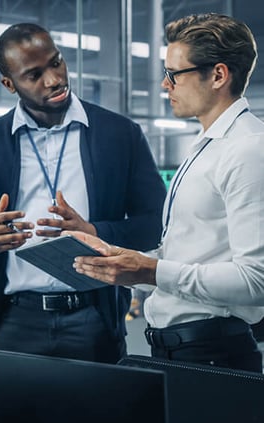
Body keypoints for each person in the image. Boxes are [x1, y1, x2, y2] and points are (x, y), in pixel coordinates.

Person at [0, 23, 166, 363]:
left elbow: (157, 223)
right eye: (34, 75)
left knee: (98, 417)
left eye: (56, 63)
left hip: (95, 319)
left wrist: (96, 233)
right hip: (13, 322)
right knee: (15, 417)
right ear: (9, 84)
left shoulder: (119, 135)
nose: (54, 80)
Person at [72, 13, 264, 373]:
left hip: (212, 352)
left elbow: (257, 280)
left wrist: (151, 271)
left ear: (219, 75)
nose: (164, 84)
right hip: (180, 349)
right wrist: (126, 262)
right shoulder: (207, 146)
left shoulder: (248, 150)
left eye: (175, 74)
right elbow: (190, 250)